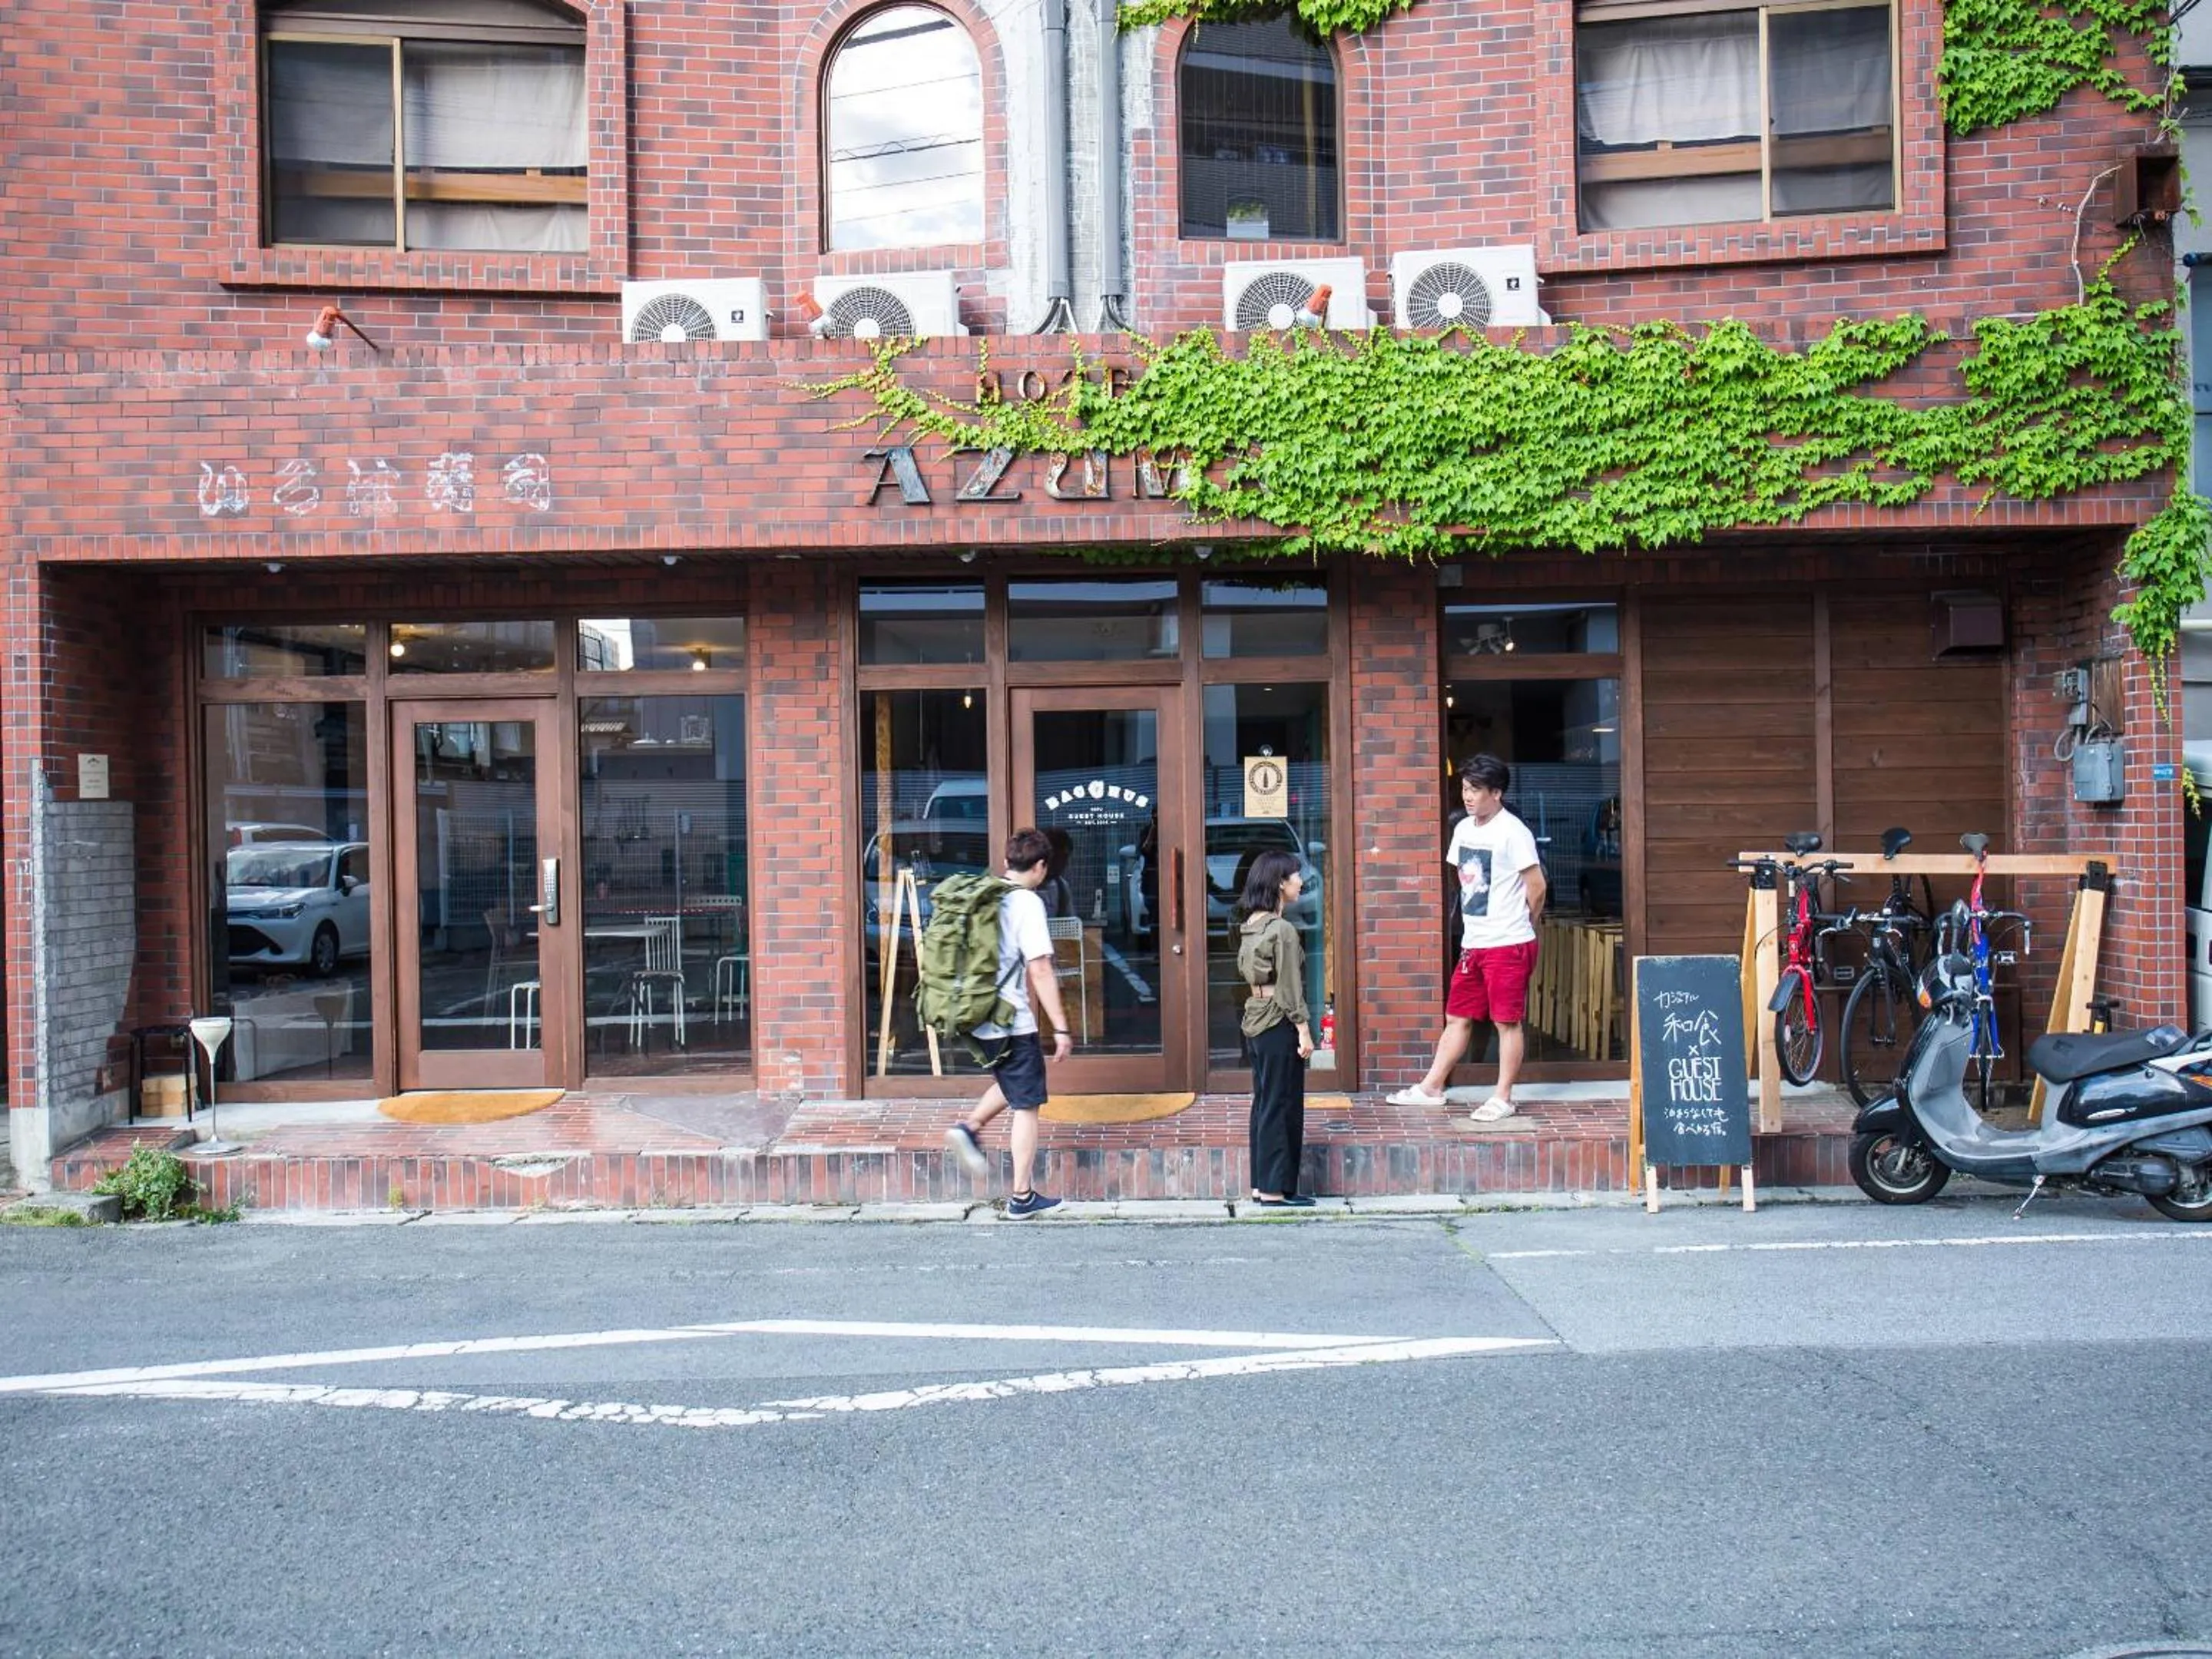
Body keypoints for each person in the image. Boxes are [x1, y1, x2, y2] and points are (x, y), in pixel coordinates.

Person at [1388, 753, 1546, 1124]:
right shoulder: (1463, 829)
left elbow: (1536, 886)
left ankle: (1503, 1096)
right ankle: (1431, 1087)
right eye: (1464, 788)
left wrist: (1527, 923)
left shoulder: (1514, 831)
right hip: (1474, 943)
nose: (1468, 796)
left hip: (1508, 942)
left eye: (1476, 790)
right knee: (1457, 1015)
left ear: (1497, 792)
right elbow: (1464, 881)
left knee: (1507, 1021)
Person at [944, 827, 1077, 1216]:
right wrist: (1061, 1028)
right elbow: (1039, 969)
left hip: (976, 1011)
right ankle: (1022, 1196)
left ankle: (968, 1128)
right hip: (1009, 1018)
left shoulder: (987, 893)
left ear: (1005, 863)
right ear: (1040, 867)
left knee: (1014, 1080)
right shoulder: (1027, 904)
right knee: (1027, 1103)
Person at [1238, 848, 1314, 1207]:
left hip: (1255, 1017)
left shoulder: (1252, 924)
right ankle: (1274, 1189)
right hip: (1278, 1020)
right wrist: (1303, 1029)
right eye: (1295, 875)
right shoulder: (1282, 929)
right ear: (1281, 883)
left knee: (1265, 1102)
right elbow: (1290, 987)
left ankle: (1261, 1184)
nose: (1301, 881)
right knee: (1282, 1102)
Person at [1038, 827, 1078, 919]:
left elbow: (1070, 925)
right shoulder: (1022, 888)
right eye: (1063, 857)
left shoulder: (1061, 886)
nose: (1066, 863)